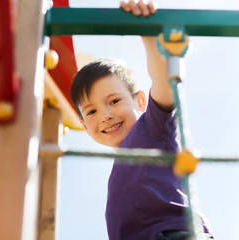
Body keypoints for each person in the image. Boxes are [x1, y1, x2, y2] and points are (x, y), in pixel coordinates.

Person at [70, 1, 215, 239]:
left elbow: (163, 81)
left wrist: (148, 33)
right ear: (85, 128)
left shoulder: (152, 129)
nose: (106, 116)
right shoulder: (121, 168)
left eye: (114, 101)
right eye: (92, 112)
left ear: (139, 101)